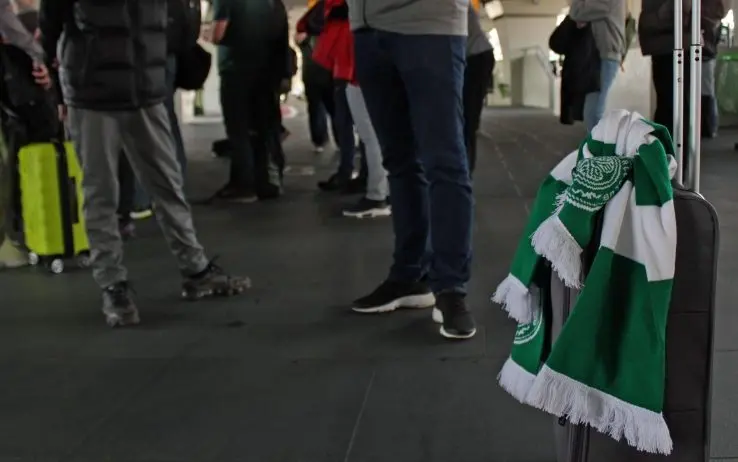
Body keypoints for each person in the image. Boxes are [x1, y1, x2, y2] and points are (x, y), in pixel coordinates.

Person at [39, 0, 250, 328]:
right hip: (92, 97)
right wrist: (58, 94)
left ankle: (195, 270)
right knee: (101, 194)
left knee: (168, 185)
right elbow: (50, 30)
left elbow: (181, 25)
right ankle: (112, 285)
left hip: (147, 94)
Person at [347, 0, 477, 339]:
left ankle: (450, 287)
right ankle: (409, 275)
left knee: (445, 162)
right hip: (366, 28)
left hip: (428, 22)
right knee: (399, 162)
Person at [311, 0, 390, 217]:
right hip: (362, 63)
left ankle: (378, 195)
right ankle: (384, 191)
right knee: (377, 134)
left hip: (355, 66)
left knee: (370, 135)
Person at [210, 0, 290, 202]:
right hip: (266, 71)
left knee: (238, 129)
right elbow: (282, 37)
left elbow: (218, 34)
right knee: (263, 128)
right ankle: (266, 182)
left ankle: (243, 185)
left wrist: (208, 33)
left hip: (235, 69)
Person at [639, 0, 727, 139]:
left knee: (675, 106)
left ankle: (675, 150)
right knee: (673, 106)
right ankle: (673, 151)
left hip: (678, 42)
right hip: (672, 42)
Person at [569, 0, 626, 132]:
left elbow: (576, 12)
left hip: (605, 56)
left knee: (594, 111)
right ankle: (596, 148)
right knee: (591, 109)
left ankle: (599, 149)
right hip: (599, 56)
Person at [464, 6, 495, 175]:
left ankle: (466, 171)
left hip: (476, 57)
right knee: (467, 119)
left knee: (467, 119)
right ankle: (466, 170)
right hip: (476, 55)